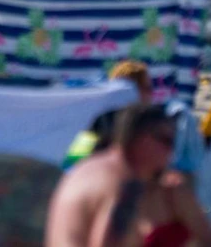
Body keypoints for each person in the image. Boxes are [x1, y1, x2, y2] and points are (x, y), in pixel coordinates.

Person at [43, 104, 186, 247]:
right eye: (167, 141)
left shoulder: (85, 169)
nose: (171, 153)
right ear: (144, 139)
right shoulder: (124, 182)